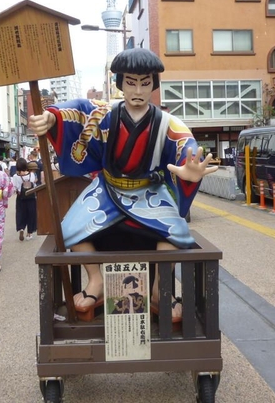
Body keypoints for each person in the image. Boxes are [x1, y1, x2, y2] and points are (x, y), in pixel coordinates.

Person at [29, 47, 216, 320]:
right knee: (70, 231)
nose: (138, 90)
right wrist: (51, 118)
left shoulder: (168, 123)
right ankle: (97, 280)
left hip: (149, 192)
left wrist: (189, 171)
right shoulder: (103, 113)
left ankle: (159, 289)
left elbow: (185, 146)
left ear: (154, 83)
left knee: (177, 237)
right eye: (131, 82)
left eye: (145, 82)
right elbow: (77, 111)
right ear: (120, 84)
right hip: (107, 190)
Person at [12, 157, 38, 241]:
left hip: (21, 198)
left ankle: (21, 228)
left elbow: (15, 188)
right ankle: (29, 233)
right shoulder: (32, 175)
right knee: (31, 214)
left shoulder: (15, 176)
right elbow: (34, 185)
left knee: (20, 213)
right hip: (31, 198)